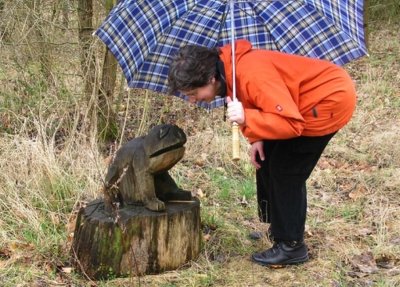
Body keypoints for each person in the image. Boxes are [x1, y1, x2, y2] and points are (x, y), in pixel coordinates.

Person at [168, 40, 356, 267]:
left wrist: (248, 119)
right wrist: (257, 137)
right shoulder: (230, 69)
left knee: (286, 171)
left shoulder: (252, 72)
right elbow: (257, 100)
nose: (192, 100)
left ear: (210, 79)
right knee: (266, 156)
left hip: (328, 100)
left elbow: (291, 124)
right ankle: (278, 228)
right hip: (293, 104)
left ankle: (291, 246)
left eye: (192, 93)